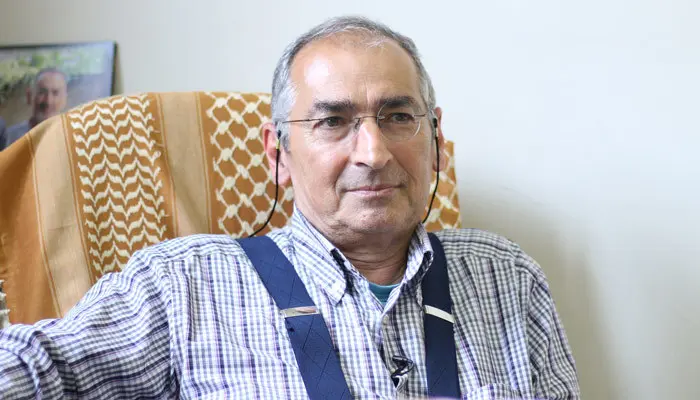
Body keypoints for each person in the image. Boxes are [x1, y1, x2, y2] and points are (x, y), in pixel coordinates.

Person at [0, 16, 580, 399]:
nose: (373, 153)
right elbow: (43, 367)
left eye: (399, 116)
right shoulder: (182, 285)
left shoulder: (508, 277)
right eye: (333, 121)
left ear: (435, 139)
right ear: (277, 154)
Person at [0, 68, 68, 151]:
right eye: (42, 92)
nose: (48, 101)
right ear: (29, 96)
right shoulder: (8, 139)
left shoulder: (75, 141)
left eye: (55, 93)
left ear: (64, 99)